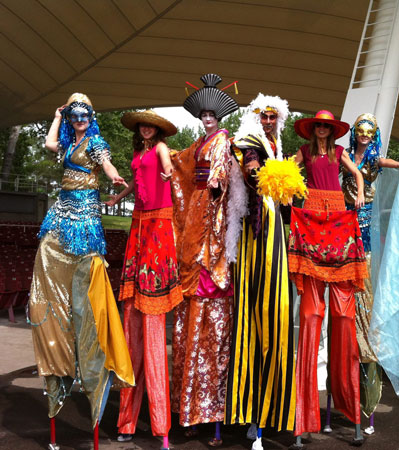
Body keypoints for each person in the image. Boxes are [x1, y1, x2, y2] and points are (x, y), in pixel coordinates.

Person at [28, 93, 134, 444]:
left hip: (85, 213)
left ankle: (92, 363)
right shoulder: (67, 138)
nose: (78, 120)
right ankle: (53, 330)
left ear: (91, 116)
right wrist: (56, 115)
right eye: (73, 116)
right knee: (45, 253)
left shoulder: (95, 142)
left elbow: (106, 163)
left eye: (82, 115)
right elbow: (47, 143)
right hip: (62, 209)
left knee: (86, 279)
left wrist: (116, 177)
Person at [288, 110, 368, 446]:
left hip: (336, 217)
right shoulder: (304, 152)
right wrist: (286, 186)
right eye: (318, 125)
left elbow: (357, 175)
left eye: (326, 126)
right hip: (310, 217)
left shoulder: (339, 153)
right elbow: (288, 171)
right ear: (313, 129)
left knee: (343, 317)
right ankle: (303, 415)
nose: (321, 129)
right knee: (310, 315)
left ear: (331, 130)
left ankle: (350, 409)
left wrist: (360, 193)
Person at [170, 73, 241, 447]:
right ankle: (188, 408)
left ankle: (209, 410)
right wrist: (169, 165)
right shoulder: (198, 142)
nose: (208, 118)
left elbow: (220, 179)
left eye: (213, 114)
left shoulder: (224, 142)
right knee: (188, 320)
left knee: (211, 320)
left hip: (212, 219)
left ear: (220, 117)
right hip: (196, 215)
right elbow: (182, 166)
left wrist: (214, 181)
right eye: (204, 114)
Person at [105, 110, 183, 448]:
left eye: (151, 126)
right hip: (139, 220)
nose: (147, 129)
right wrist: (117, 198)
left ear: (158, 130)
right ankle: (127, 420)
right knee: (131, 310)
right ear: (140, 130)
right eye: (143, 126)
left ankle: (160, 423)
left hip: (159, 222)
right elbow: (137, 183)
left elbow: (168, 170)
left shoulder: (162, 149)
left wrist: (168, 175)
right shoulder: (138, 154)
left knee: (151, 310)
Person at [225, 93, 296, 450]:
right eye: (263, 115)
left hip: (274, 235)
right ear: (254, 116)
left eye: (273, 116)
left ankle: (274, 410)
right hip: (258, 237)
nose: (267, 120)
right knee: (256, 319)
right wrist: (268, 174)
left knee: (278, 316)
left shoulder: (275, 144)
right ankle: (252, 413)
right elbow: (251, 166)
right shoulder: (249, 142)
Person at [341, 113, 399, 432]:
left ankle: (366, 400)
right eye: (361, 132)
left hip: (364, 241)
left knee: (364, 312)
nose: (365, 136)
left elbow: (386, 162)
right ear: (355, 133)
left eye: (370, 133)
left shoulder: (372, 158)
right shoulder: (344, 156)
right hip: (342, 236)